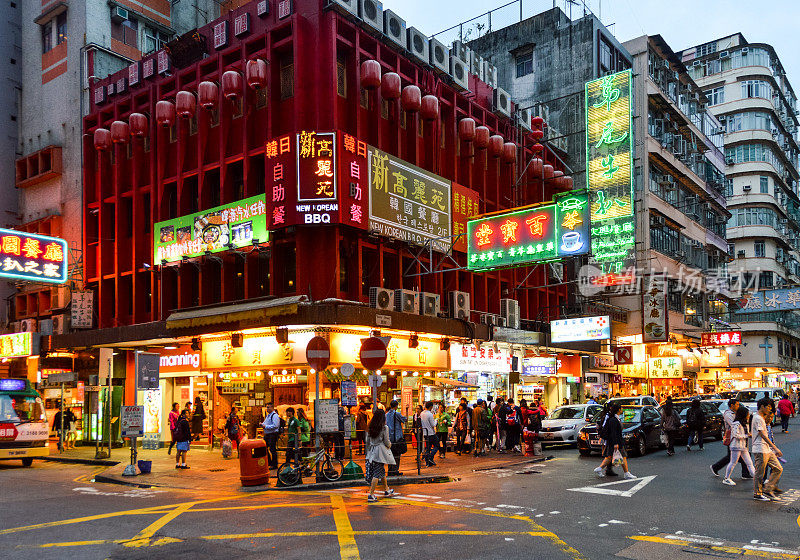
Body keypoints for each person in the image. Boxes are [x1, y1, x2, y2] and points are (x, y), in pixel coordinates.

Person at [593, 403, 636, 480]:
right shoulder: (613, 420)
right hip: (616, 442)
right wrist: (616, 443)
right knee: (623, 456)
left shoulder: (615, 418)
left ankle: (599, 469)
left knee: (609, 457)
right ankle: (626, 473)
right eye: (621, 408)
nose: (622, 410)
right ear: (618, 410)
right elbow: (613, 432)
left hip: (613, 441)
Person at [711, 399, 752, 478]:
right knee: (733, 457)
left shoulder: (736, 413)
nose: (738, 406)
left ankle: (745, 473)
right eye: (737, 404)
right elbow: (734, 425)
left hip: (739, 438)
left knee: (737, 456)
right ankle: (716, 468)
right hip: (732, 438)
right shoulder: (728, 414)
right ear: (732, 405)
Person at [365, 408, 399, 503]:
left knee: (381, 471)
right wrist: (389, 445)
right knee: (377, 473)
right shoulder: (384, 428)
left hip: (372, 451)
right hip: (380, 452)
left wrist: (367, 453)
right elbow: (386, 441)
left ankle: (387, 490)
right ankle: (371, 494)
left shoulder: (370, 427)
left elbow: (367, 441)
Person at [752, 398, 783, 501]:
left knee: (778, 468)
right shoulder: (757, 418)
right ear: (762, 406)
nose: (769, 409)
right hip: (760, 448)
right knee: (760, 473)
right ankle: (757, 493)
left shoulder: (761, 418)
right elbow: (763, 435)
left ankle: (768, 489)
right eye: (768, 407)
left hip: (766, 449)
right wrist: (775, 448)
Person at [722, 406, 756, 486]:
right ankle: (726, 478)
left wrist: (747, 435)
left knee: (749, 463)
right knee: (733, 462)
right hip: (736, 446)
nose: (749, 415)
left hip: (743, 446)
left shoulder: (744, 423)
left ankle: (757, 478)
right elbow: (735, 435)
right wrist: (747, 435)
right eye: (747, 414)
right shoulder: (736, 423)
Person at [386, 400, 407, 476]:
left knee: (390, 455)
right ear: (396, 406)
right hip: (396, 438)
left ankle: (390, 470)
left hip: (389, 438)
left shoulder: (386, 415)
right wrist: (406, 412)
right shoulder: (397, 414)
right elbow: (405, 419)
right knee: (397, 455)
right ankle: (395, 470)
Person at [261, 403, 281, 469]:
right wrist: (262, 424)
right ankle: (269, 462)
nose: (267, 409)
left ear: (272, 408)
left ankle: (274, 464)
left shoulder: (275, 416)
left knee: (272, 449)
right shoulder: (268, 416)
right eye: (267, 407)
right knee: (264, 448)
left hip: (272, 434)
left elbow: (275, 426)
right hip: (267, 434)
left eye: (268, 407)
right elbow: (265, 423)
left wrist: (265, 426)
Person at [420, 401, 438, 467]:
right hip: (431, 433)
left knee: (428, 447)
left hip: (425, 433)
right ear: (430, 407)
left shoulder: (422, 413)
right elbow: (433, 424)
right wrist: (436, 420)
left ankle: (428, 462)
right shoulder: (430, 414)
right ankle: (430, 457)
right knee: (437, 445)